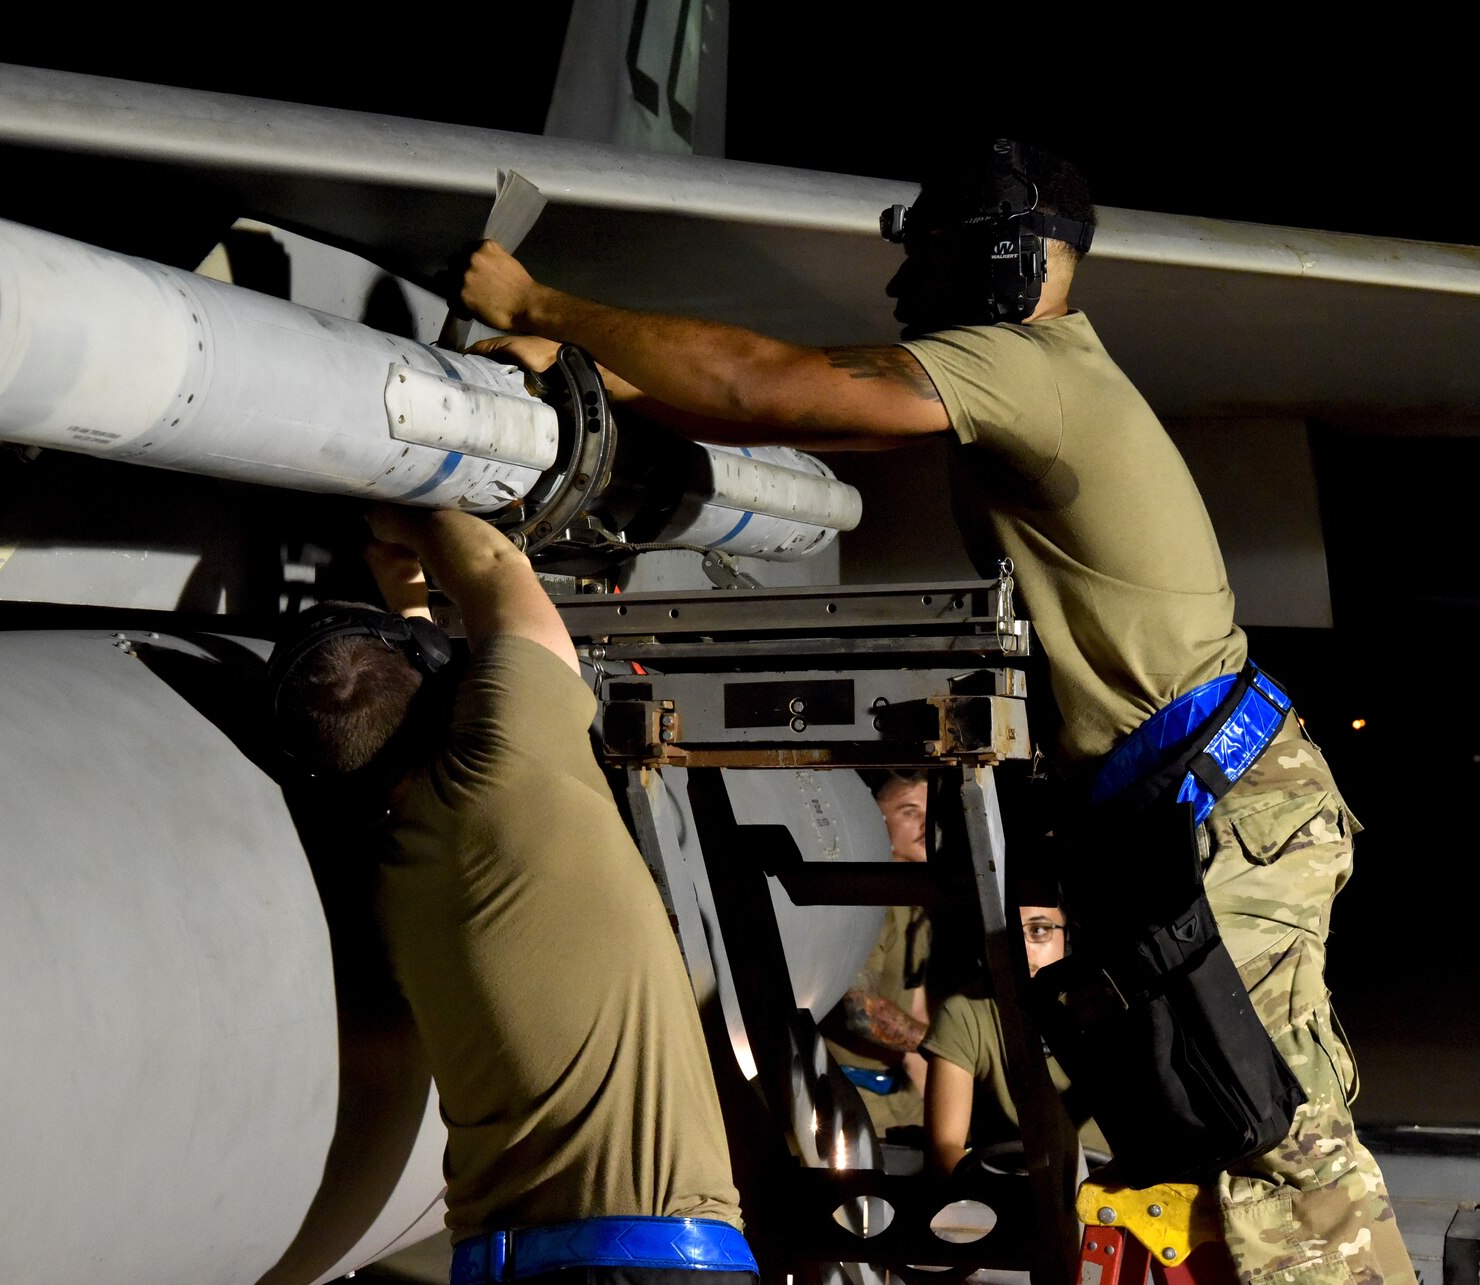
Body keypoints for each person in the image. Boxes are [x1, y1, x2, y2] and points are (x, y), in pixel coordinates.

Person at [458, 139, 1413, 1285]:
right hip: (1188, 806)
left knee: (1260, 1137)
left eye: (935, 259)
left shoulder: (1033, 364)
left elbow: (774, 386)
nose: (909, 290)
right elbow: (811, 417)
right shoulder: (1030, 374)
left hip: (1216, 805)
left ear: (1003, 262)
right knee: (1195, 1127)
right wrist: (593, 372)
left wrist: (540, 303)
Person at [271, 504, 757, 1285]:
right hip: (648, 1264)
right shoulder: (509, 765)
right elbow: (497, 568)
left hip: (513, 1264)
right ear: (433, 675)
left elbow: (397, 712)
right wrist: (398, 508)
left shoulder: (391, 880)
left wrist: (408, 602)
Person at [923, 902, 1108, 1176]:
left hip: (1107, 1187)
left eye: (1039, 930)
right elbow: (946, 1146)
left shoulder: (1105, 1006)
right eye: (1008, 933)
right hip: (1008, 1187)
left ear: (1066, 936)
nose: (1022, 948)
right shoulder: (965, 1013)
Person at [821, 770, 933, 1135]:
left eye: (929, 812)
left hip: (895, 1089)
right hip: (847, 1093)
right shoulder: (869, 900)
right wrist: (955, 1050)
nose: (925, 824)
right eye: (909, 812)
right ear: (875, 817)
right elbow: (863, 1012)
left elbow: (915, 1008)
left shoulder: (917, 906)